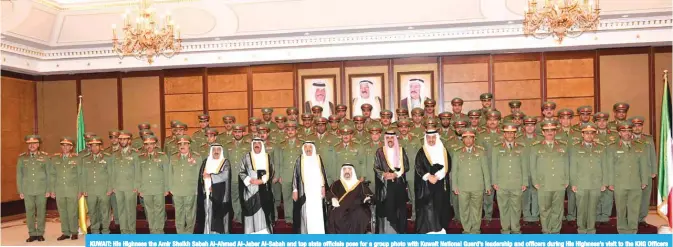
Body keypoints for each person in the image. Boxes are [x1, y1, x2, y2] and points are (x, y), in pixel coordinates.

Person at [607, 122, 650, 234]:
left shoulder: (640, 146)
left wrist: (644, 180)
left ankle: (632, 230)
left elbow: (643, 165)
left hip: (635, 183)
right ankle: (622, 230)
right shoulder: (612, 147)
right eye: (624, 131)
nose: (627, 133)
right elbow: (610, 167)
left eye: (629, 131)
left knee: (634, 209)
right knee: (621, 209)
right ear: (619, 133)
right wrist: (610, 182)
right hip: (619, 183)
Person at [529, 120, 569, 234]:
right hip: (543, 183)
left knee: (558, 210)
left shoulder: (563, 146)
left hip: (559, 182)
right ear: (543, 132)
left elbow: (566, 164)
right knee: (544, 209)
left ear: (555, 132)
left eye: (552, 130)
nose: (550, 132)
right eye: (547, 130)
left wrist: (566, 180)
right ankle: (546, 231)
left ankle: (556, 231)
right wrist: (535, 181)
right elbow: (533, 166)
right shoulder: (536, 147)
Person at [570, 123, 607, 234]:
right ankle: (581, 229)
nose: (589, 136)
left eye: (592, 133)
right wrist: (574, 183)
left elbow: (604, 166)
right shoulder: (576, 148)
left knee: (592, 209)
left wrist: (604, 182)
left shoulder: (600, 148)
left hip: (596, 184)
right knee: (581, 209)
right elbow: (573, 167)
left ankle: (591, 230)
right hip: (581, 183)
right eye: (587, 133)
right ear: (582, 134)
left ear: (594, 135)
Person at [491, 123, 528, 234]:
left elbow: (524, 166)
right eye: (507, 132)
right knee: (503, 209)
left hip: (517, 183)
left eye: (512, 132)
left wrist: (524, 182)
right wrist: (494, 182)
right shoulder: (497, 148)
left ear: (515, 134)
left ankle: (516, 230)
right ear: (504, 134)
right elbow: (494, 166)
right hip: (502, 184)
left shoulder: (521, 148)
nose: (510, 134)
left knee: (516, 209)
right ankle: (505, 230)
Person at [452, 129, 490, 234]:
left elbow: (485, 170)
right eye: (465, 138)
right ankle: (466, 229)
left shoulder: (481, 152)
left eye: (470, 138)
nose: (468, 140)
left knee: (476, 210)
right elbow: (454, 171)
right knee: (464, 210)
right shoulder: (457, 152)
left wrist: (487, 186)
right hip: (462, 186)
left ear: (474, 139)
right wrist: (454, 186)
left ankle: (475, 229)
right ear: (462, 139)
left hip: (477, 186)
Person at [414, 130, 451, 234]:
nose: (431, 140)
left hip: (440, 183)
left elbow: (448, 165)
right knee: (428, 207)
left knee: (440, 205)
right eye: (428, 138)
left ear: (437, 138)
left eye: (433, 137)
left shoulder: (443, 150)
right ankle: (429, 230)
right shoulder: (422, 151)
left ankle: (440, 229)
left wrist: (438, 176)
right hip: (426, 184)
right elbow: (418, 166)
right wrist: (428, 176)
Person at [374, 131, 410, 234]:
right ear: (385, 139)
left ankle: (400, 234)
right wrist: (384, 175)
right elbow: (376, 167)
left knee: (400, 211)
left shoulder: (401, 151)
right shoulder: (380, 151)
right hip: (386, 186)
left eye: (392, 137)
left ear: (395, 138)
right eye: (388, 137)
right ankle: (388, 233)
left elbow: (406, 166)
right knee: (388, 209)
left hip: (398, 184)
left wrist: (395, 174)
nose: (390, 139)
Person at [17, 135, 50, 242]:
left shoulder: (45, 157)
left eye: (34, 143)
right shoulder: (22, 158)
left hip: (41, 189)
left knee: (41, 212)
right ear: (28, 145)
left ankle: (40, 233)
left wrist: (48, 189)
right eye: (30, 144)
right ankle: (32, 233)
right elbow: (19, 175)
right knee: (29, 212)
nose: (32, 145)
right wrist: (20, 190)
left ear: (38, 145)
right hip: (27, 190)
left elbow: (49, 174)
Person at [239, 138, 275, 234]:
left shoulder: (267, 157)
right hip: (250, 190)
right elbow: (241, 172)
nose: (257, 145)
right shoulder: (246, 157)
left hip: (264, 190)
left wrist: (262, 181)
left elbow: (271, 171)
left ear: (262, 145)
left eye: (259, 143)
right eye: (255, 143)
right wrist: (250, 180)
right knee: (250, 214)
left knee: (264, 213)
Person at [292, 142, 328, 233]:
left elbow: (322, 173)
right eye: (306, 147)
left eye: (310, 147)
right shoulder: (299, 159)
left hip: (316, 191)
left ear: (313, 148)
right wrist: (295, 190)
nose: (308, 149)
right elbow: (295, 175)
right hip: (305, 191)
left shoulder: (318, 158)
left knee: (317, 213)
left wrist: (323, 186)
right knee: (307, 212)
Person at [327, 164, 374, 234]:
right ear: (342, 172)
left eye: (349, 169)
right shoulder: (336, 184)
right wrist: (333, 198)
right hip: (341, 207)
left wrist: (368, 198)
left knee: (360, 213)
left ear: (353, 172)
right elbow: (329, 193)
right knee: (335, 214)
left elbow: (370, 195)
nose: (347, 171)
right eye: (344, 169)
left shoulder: (359, 184)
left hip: (356, 207)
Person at [49, 136, 81, 240]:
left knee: (72, 212)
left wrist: (80, 190)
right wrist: (52, 190)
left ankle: (74, 231)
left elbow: (80, 175)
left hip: (73, 189)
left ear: (71, 147)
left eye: (68, 145)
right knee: (62, 212)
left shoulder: (77, 159)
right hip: (60, 190)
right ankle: (65, 232)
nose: (65, 147)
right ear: (61, 146)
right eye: (63, 145)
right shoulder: (55, 159)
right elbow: (52, 175)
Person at [197, 143, 233, 234]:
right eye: (214, 150)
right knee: (208, 215)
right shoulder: (206, 162)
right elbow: (202, 176)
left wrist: (211, 178)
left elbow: (225, 175)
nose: (216, 151)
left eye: (218, 150)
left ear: (221, 151)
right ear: (211, 151)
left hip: (221, 195)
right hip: (207, 194)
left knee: (220, 216)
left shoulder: (225, 162)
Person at [169, 135, 202, 234]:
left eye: (185, 144)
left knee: (190, 214)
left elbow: (199, 174)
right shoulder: (173, 157)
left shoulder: (196, 157)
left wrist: (197, 189)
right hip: (177, 190)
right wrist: (171, 188)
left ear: (189, 145)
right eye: (180, 144)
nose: (182, 146)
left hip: (190, 190)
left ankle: (188, 235)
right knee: (178, 214)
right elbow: (170, 173)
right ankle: (180, 235)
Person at [81, 136, 114, 234]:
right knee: (92, 212)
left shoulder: (108, 158)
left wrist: (110, 188)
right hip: (90, 190)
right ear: (89, 147)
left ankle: (105, 230)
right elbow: (83, 175)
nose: (94, 148)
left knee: (105, 212)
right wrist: (84, 188)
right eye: (92, 146)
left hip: (104, 190)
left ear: (101, 147)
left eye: (97, 146)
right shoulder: (85, 159)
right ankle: (95, 230)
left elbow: (111, 174)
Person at [137, 135, 169, 234]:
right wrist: (139, 189)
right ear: (144, 145)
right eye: (146, 144)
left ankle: (160, 231)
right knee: (149, 212)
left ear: (155, 144)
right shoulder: (140, 158)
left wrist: (166, 188)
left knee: (159, 211)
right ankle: (152, 231)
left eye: (151, 144)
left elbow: (167, 173)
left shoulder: (162, 156)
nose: (149, 146)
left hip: (159, 188)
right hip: (146, 189)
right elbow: (138, 174)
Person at [629, 116, 657, 226]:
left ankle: (641, 219)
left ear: (642, 126)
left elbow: (653, 156)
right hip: (633, 174)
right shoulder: (627, 139)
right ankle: (632, 218)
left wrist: (654, 170)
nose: (636, 128)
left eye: (639, 126)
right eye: (634, 126)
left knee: (645, 197)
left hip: (647, 171)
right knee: (633, 197)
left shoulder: (648, 139)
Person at [110, 131, 139, 234]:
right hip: (118, 186)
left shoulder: (135, 154)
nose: (122, 141)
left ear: (129, 140)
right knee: (121, 210)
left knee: (130, 210)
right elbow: (112, 171)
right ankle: (124, 232)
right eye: (120, 139)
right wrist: (113, 186)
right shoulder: (115, 155)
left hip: (130, 187)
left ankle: (132, 232)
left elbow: (138, 170)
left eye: (125, 139)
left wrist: (136, 185)